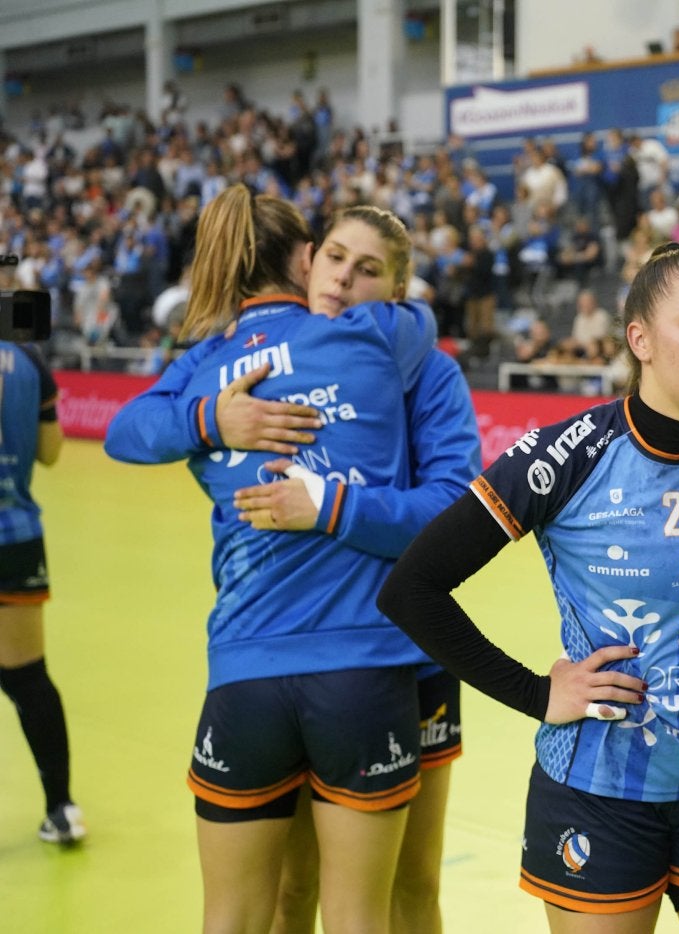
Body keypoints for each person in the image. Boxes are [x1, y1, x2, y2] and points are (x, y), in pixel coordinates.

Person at [378, 242, 679, 933]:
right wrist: (539, 693)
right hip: (595, 795)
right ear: (639, 339)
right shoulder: (567, 454)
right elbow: (414, 588)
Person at [104, 189, 479, 934]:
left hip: (410, 651)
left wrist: (333, 504)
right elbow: (130, 427)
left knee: (413, 882)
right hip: (336, 663)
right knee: (294, 886)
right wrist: (214, 417)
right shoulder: (231, 365)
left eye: (367, 269)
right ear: (305, 260)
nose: (342, 279)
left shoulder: (414, 361)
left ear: (397, 290)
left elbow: (455, 515)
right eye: (333, 258)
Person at [0, 338, 79, 845]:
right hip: (15, 537)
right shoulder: (28, 360)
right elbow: (50, 452)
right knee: (29, 679)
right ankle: (62, 808)